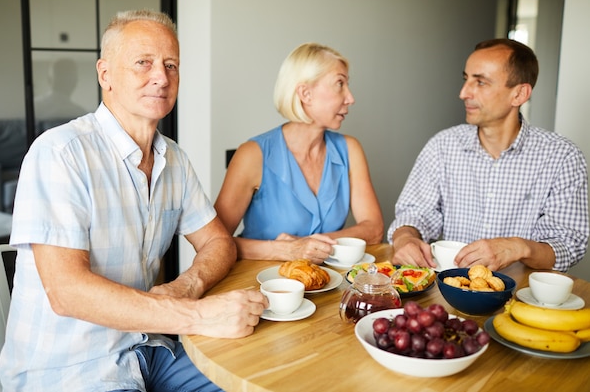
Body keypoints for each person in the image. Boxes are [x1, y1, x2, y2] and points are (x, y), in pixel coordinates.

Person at [0, 9, 267, 392]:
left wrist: (186, 287)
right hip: (68, 369)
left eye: (171, 65)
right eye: (144, 62)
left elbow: (218, 242)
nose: (161, 76)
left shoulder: (174, 159)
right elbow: (66, 291)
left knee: (258, 376)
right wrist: (195, 315)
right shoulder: (61, 153)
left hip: (146, 347)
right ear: (105, 75)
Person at [388, 38, 588, 273]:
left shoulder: (563, 157)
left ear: (519, 94)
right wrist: (405, 237)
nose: (463, 93)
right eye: (466, 79)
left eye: (480, 82)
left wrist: (519, 247)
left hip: (519, 297)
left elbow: (568, 244)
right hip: (449, 292)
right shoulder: (443, 145)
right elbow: (415, 213)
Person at [214, 42, 383, 263]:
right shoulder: (252, 155)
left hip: (328, 283)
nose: (350, 98)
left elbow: (374, 230)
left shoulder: (350, 150)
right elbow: (214, 241)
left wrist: (311, 245)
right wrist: (285, 250)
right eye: (340, 84)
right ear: (305, 93)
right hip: (261, 287)